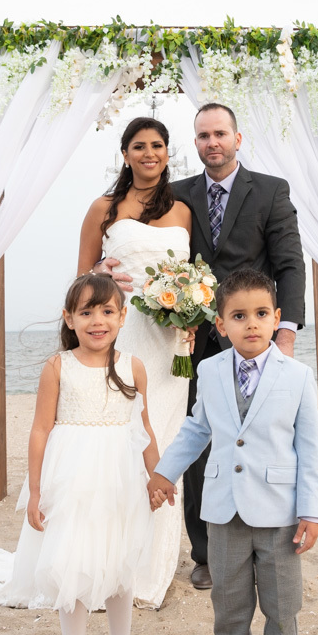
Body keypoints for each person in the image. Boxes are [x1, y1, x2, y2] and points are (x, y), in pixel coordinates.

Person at [0, 274, 159, 635]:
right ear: (69, 318)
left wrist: (157, 477)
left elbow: (143, 428)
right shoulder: (58, 366)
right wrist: (36, 490)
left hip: (120, 482)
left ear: (123, 316)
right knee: (72, 565)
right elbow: (41, 430)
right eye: (87, 312)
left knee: (120, 564)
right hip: (72, 481)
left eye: (107, 311)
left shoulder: (134, 367)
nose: (98, 321)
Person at [148, 268, 318, 635]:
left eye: (261, 314)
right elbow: (197, 429)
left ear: (276, 318)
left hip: (280, 514)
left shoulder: (298, 376)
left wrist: (312, 511)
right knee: (229, 604)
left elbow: (310, 449)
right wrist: (164, 472)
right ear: (221, 324)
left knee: (283, 605)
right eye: (239, 316)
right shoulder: (210, 371)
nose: (251, 324)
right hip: (224, 511)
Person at [169, 102, 306, 591]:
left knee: (261, 436)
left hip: (254, 337)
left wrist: (285, 334)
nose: (212, 142)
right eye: (203, 135)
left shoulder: (270, 191)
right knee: (199, 440)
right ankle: (205, 553)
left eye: (220, 133)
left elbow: (289, 263)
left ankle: (264, 538)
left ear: (237, 138)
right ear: (196, 142)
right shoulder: (176, 194)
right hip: (192, 341)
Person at [82, 116, 192, 609]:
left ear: (168, 153)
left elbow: (193, 277)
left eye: (158, 145)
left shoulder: (183, 211)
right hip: (124, 338)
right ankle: (108, 562)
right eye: (139, 146)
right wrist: (99, 271)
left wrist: (193, 314)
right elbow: (82, 280)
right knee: (121, 445)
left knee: (164, 445)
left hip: (170, 347)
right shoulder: (103, 208)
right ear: (125, 154)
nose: (150, 153)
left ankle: (151, 570)